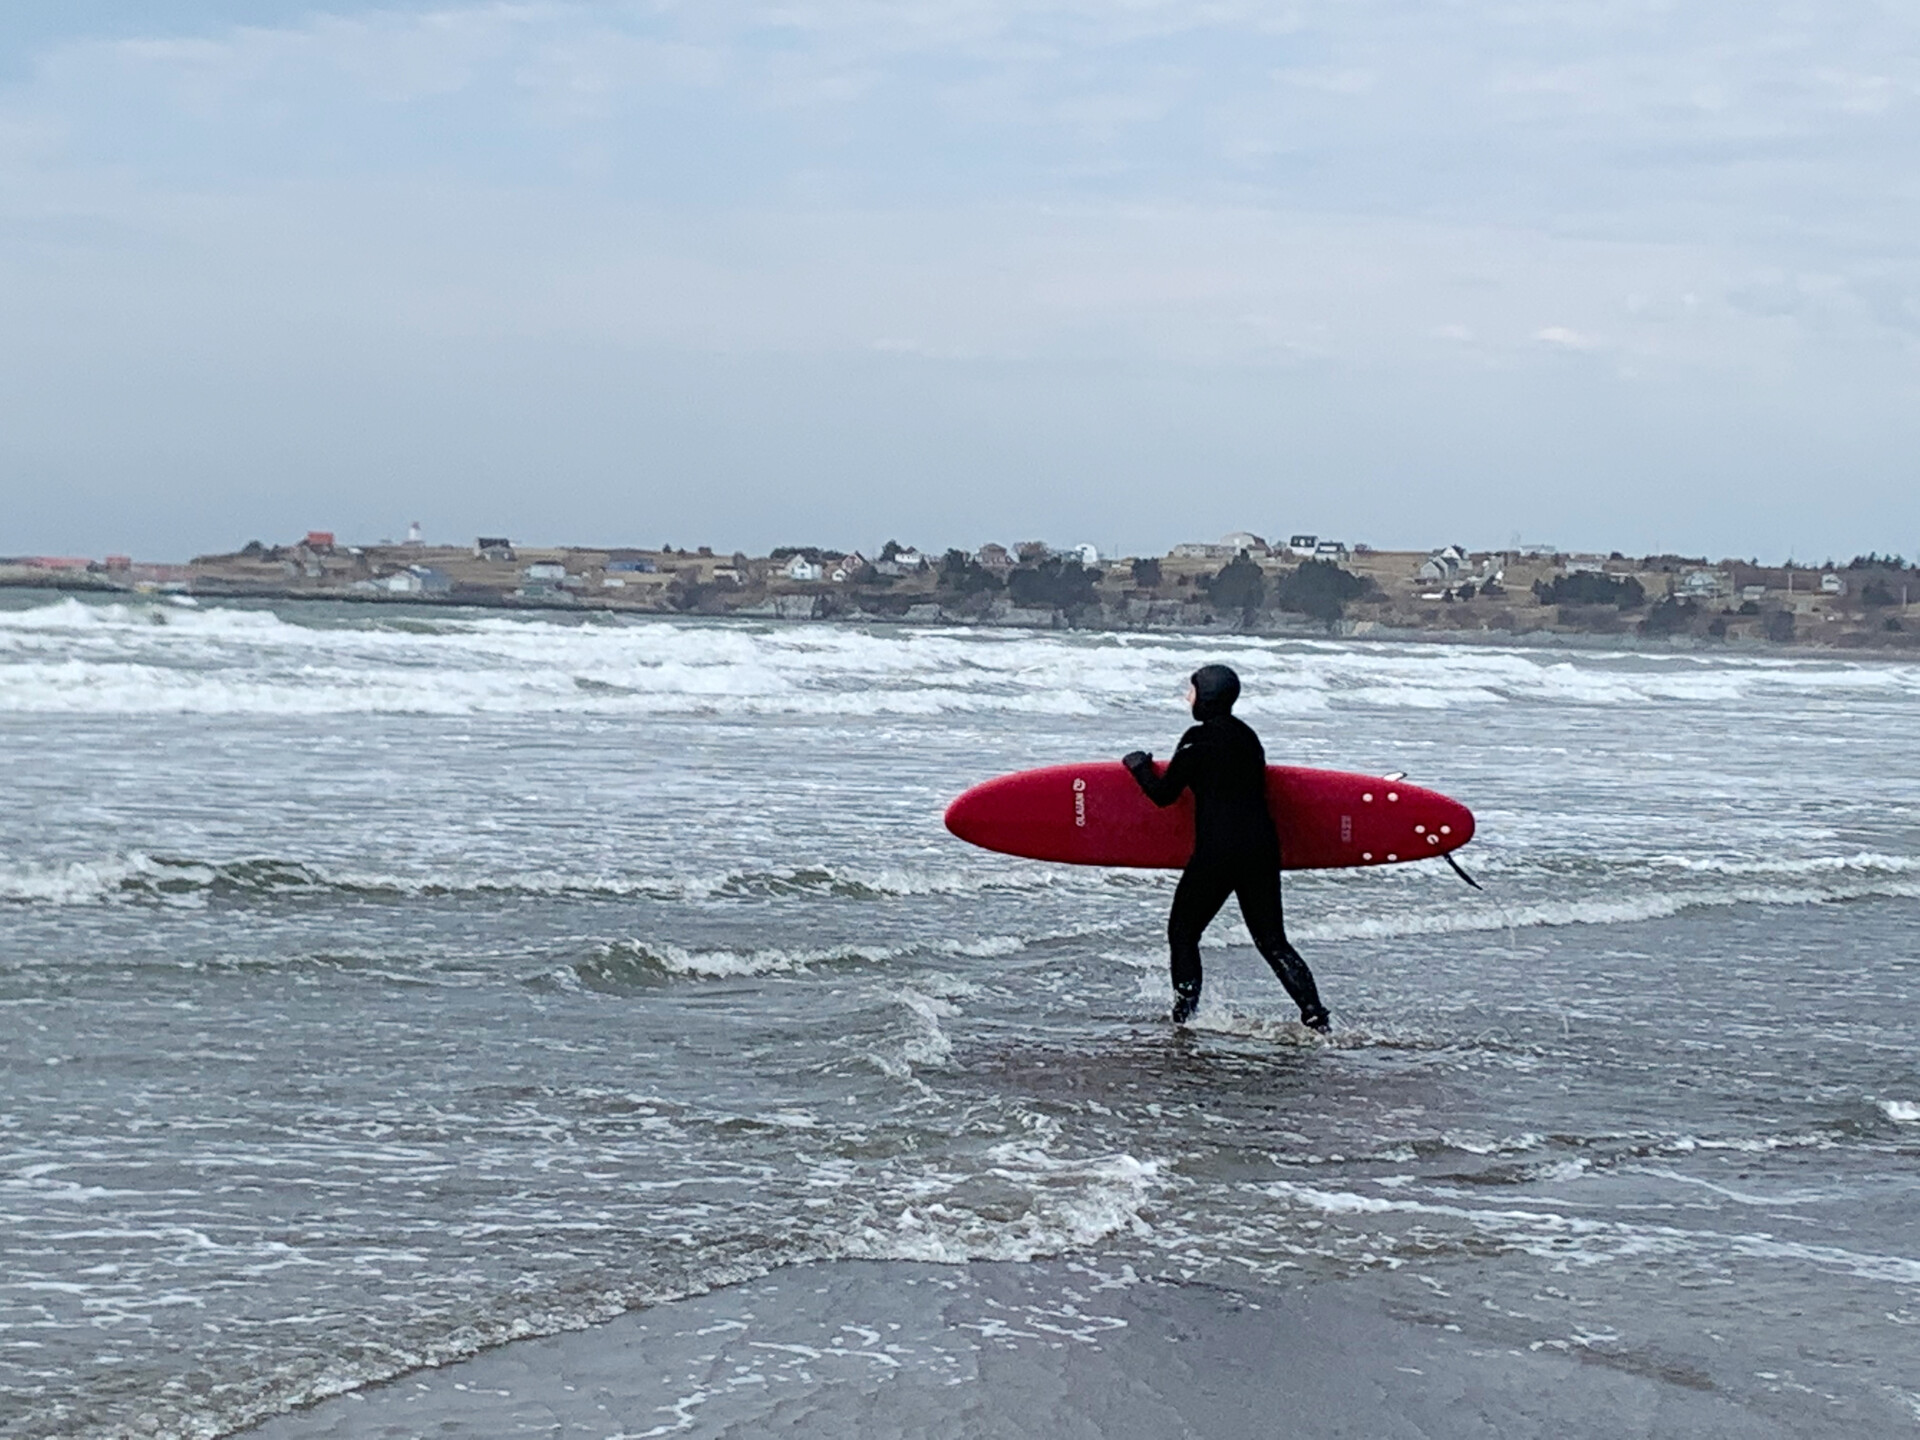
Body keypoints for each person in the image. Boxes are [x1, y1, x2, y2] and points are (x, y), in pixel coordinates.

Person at [1123, 664, 1331, 1031]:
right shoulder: (1248, 737)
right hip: (1262, 849)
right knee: (1272, 940)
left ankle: (1185, 1016)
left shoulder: (1196, 739)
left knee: (1183, 933)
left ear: (1205, 696)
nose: (1188, 698)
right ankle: (1315, 1016)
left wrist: (1138, 767)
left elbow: (1164, 795)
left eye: (1192, 691)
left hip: (1218, 852)